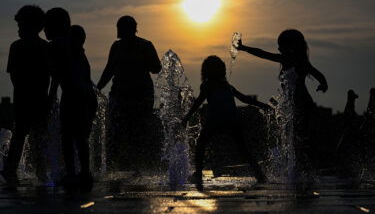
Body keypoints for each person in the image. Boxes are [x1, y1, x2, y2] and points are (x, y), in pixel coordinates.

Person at [237, 29, 328, 179]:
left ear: (290, 46)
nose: (279, 49)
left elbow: (263, 54)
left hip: (300, 105)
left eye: (281, 46)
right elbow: (320, 76)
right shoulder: (301, 61)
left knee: (297, 139)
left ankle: (301, 170)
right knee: (297, 139)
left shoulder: (289, 60)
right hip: (300, 104)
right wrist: (323, 85)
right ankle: (301, 169)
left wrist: (244, 48)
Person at [182, 55, 268, 191]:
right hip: (232, 120)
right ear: (222, 71)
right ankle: (260, 174)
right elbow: (245, 99)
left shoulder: (207, 85)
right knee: (243, 149)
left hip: (215, 120)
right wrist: (263, 105)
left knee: (201, 145)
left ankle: (198, 174)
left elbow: (198, 102)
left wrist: (186, 117)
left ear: (205, 71)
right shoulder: (227, 85)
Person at [96, 16, 161, 172]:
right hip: (122, 94)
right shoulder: (118, 46)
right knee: (118, 131)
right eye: (119, 27)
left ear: (131, 29)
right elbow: (109, 69)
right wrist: (97, 89)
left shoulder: (145, 45)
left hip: (139, 95)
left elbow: (156, 68)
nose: (120, 31)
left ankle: (136, 166)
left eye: (122, 28)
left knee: (135, 131)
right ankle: (118, 166)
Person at [45, 8, 97, 192]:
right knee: (81, 137)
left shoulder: (56, 45)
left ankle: (72, 174)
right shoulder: (74, 44)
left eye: (47, 25)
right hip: (88, 95)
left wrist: (50, 99)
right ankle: (84, 172)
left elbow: (57, 76)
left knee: (67, 137)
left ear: (56, 26)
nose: (44, 29)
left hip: (73, 95)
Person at [1, 5, 50, 186]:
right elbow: (51, 76)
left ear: (30, 26)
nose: (18, 29)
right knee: (39, 137)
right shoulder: (45, 47)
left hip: (23, 98)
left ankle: (11, 170)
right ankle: (41, 172)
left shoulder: (17, 46)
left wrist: (23, 90)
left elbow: (14, 75)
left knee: (19, 135)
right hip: (40, 99)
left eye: (21, 25)